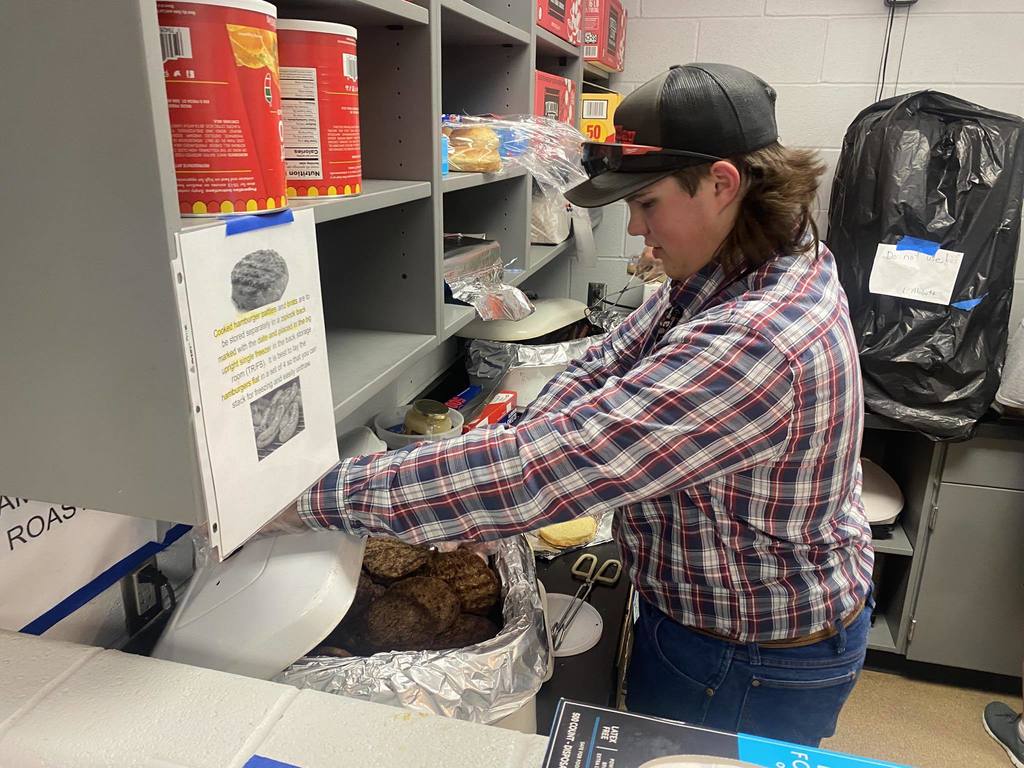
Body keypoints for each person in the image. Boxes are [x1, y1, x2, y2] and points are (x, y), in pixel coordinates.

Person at [268, 63, 875, 747]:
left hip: (746, 658)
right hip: (712, 615)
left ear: (722, 183)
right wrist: (521, 436)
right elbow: (606, 360)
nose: (639, 230)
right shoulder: (740, 265)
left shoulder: (758, 338)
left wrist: (311, 499)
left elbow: (545, 470)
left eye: (648, 205)